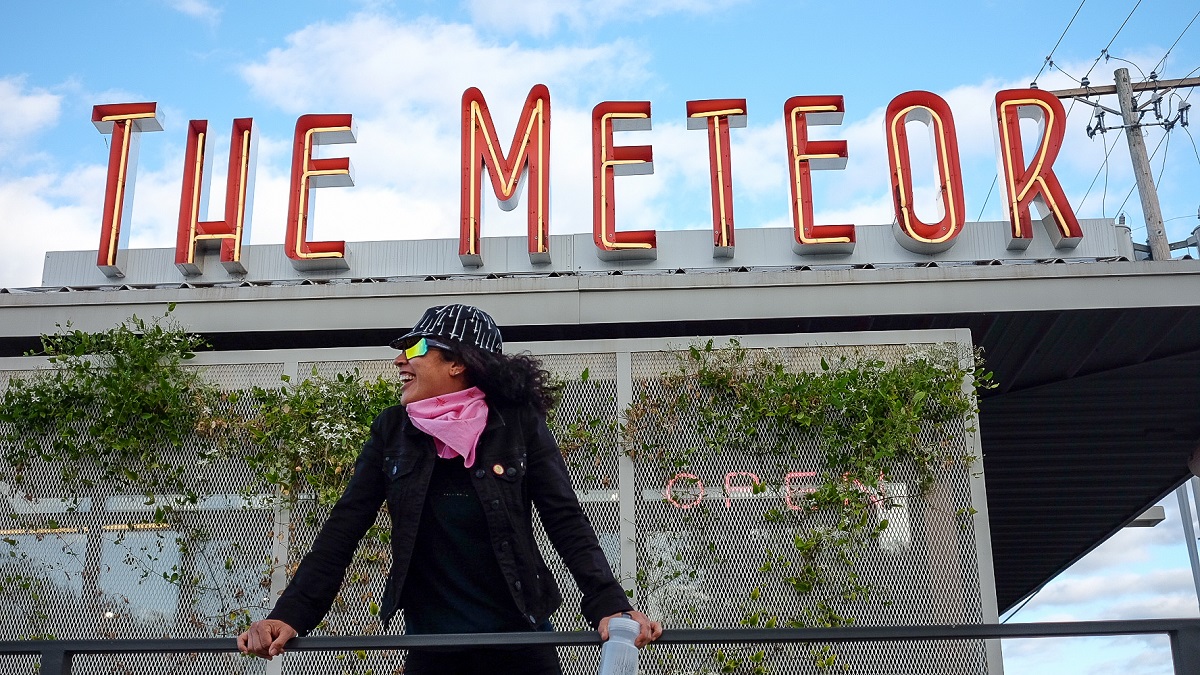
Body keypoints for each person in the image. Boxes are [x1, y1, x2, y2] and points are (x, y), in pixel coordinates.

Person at [237, 304, 661, 673]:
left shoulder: (518, 425)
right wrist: (290, 615)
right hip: (431, 647)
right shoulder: (392, 430)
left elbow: (566, 522)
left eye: (418, 348)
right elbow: (342, 530)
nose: (401, 360)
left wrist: (609, 604)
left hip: (520, 644)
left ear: (458, 362)